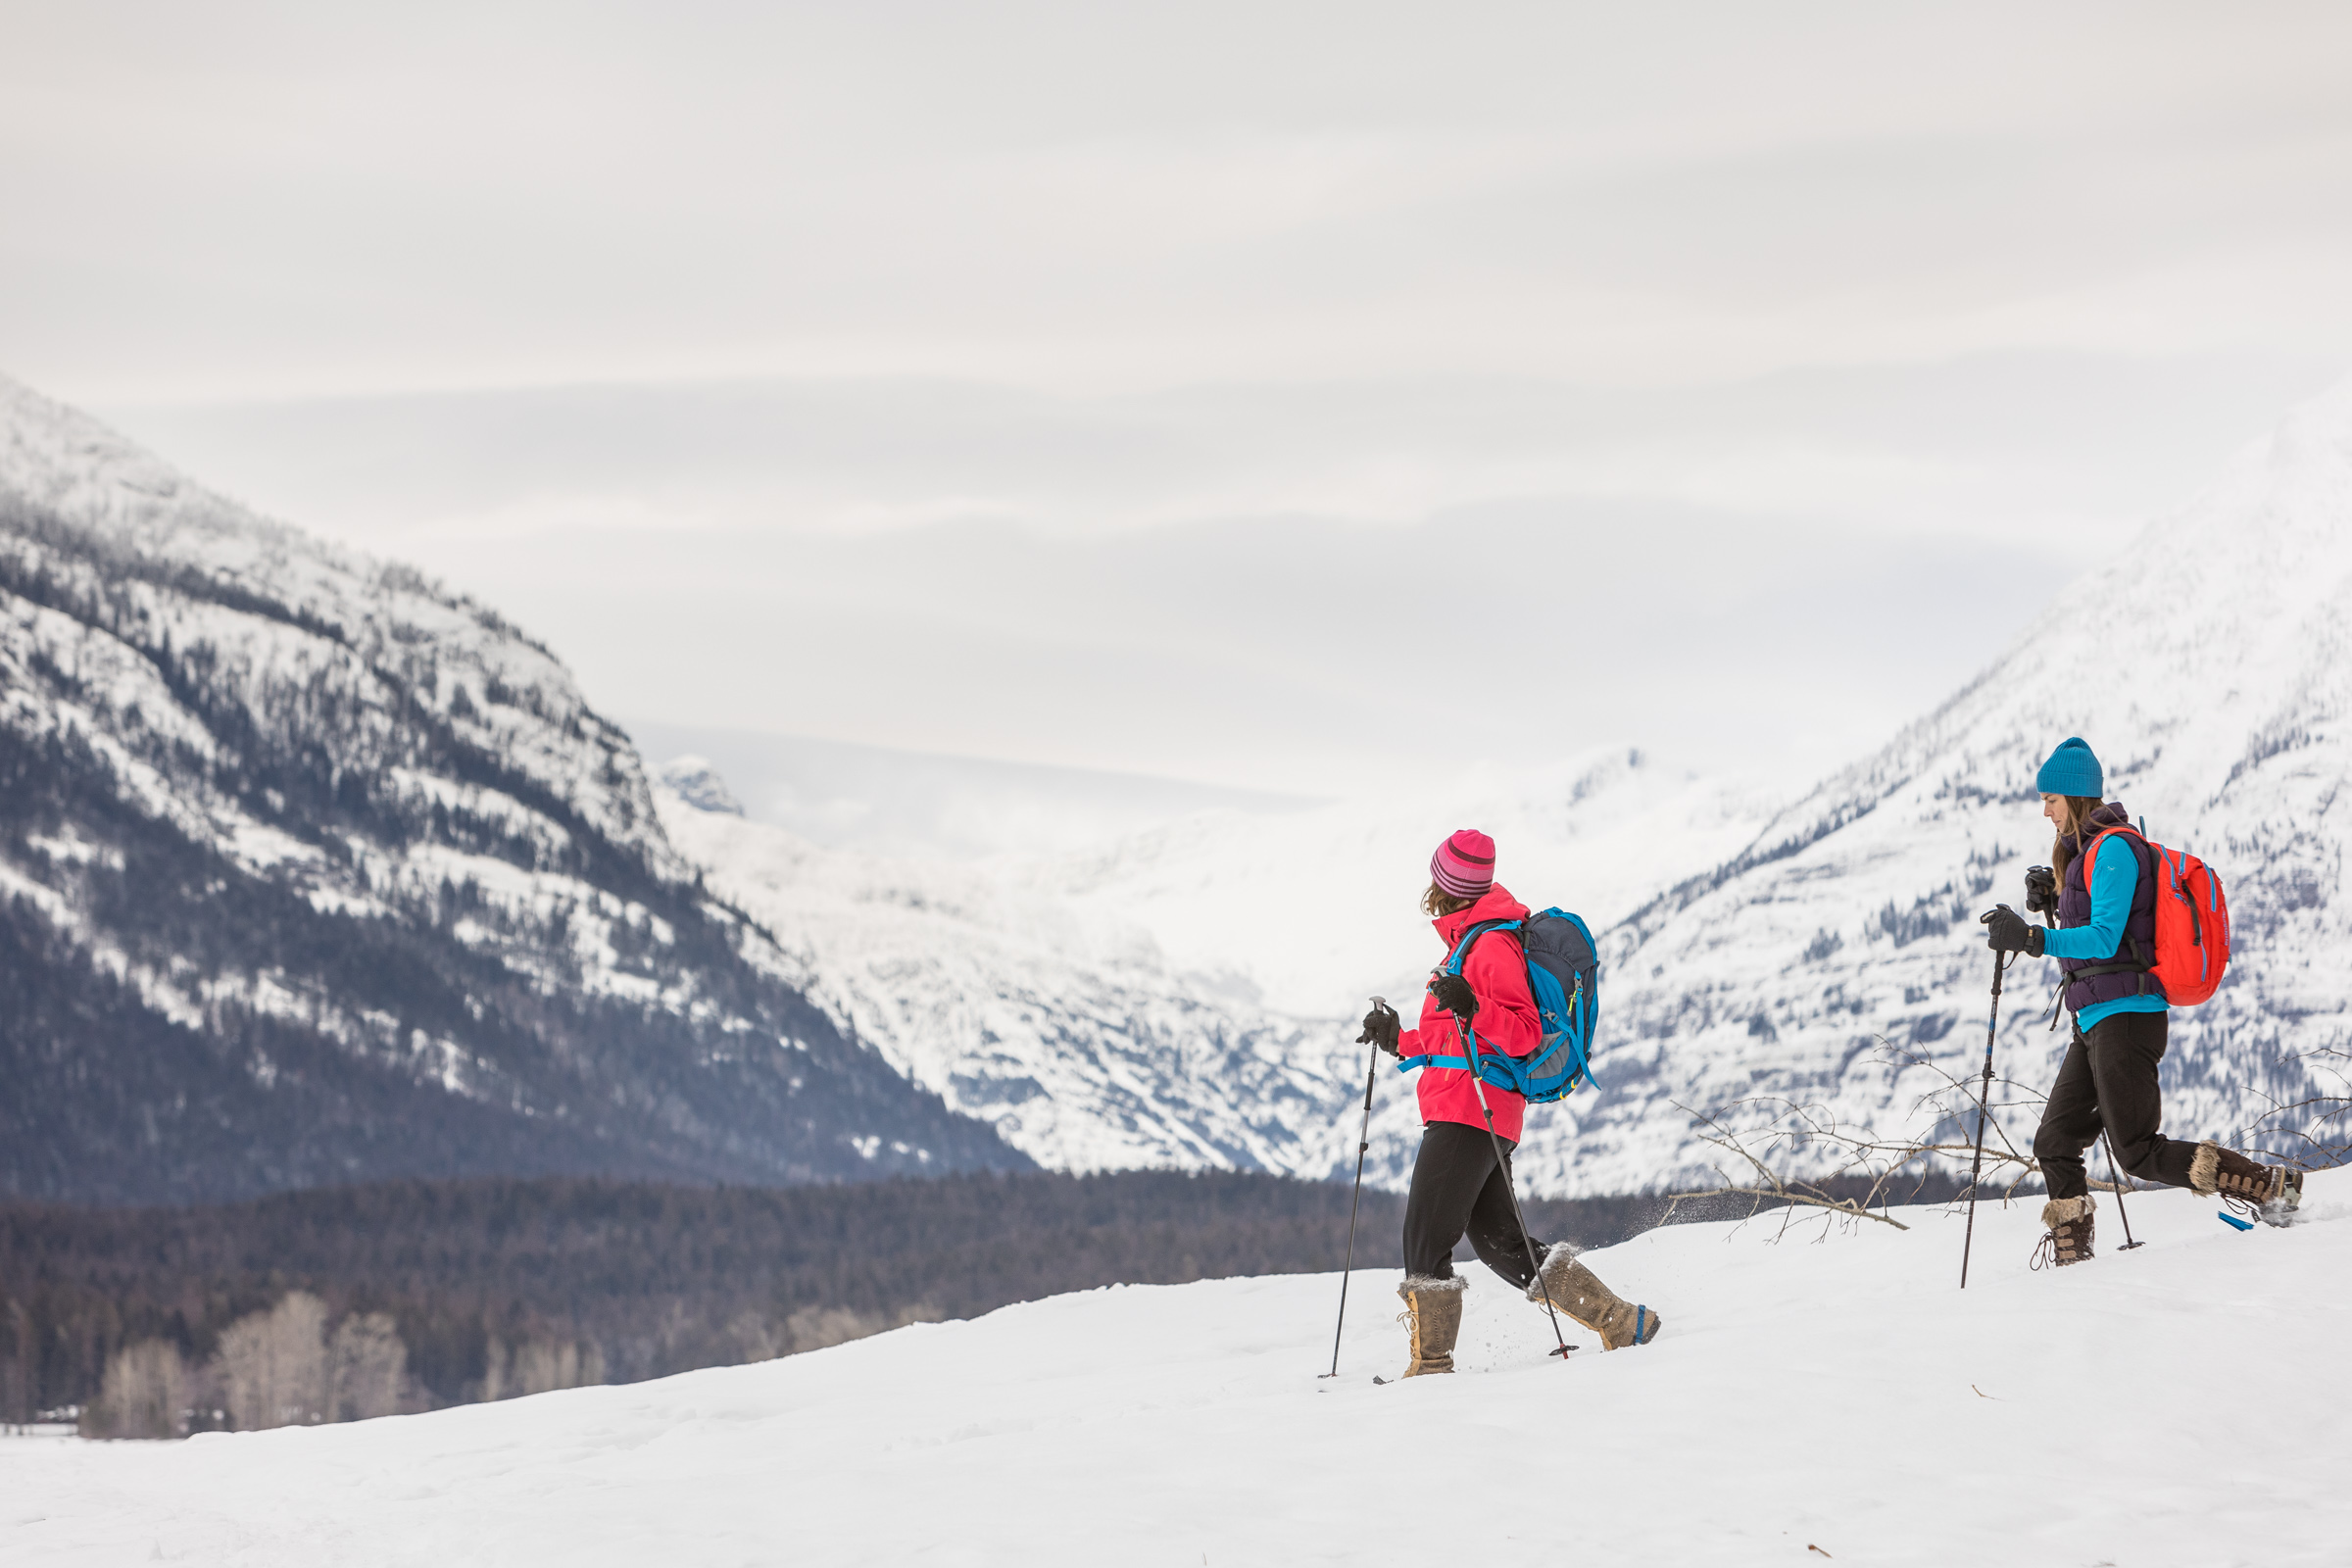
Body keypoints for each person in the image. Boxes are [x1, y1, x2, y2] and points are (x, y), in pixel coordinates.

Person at [1983, 737, 2304, 1266]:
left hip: (2128, 1017)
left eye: (2050, 799)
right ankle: (2074, 1260)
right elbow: (2097, 937)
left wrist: (2036, 940)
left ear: (2076, 796)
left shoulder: (2113, 849)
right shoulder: (2082, 853)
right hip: (2094, 1020)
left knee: (2136, 1150)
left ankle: (2272, 1187)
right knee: (2055, 1140)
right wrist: (2054, 904)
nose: (2044, 810)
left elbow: (2107, 939)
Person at [1356, 828, 1660, 1377]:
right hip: (1473, 1107)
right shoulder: (1467, 941)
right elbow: (1452, 1039)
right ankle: (1621, 1322)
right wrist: (1398, 1038)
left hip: (1469, 1112)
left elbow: (1521, 1036)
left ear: (1447, 886)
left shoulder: (1491, 944)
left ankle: (1431, 1368)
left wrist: (1473, 1005)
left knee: (1424, 1239)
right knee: (1502, 1244)